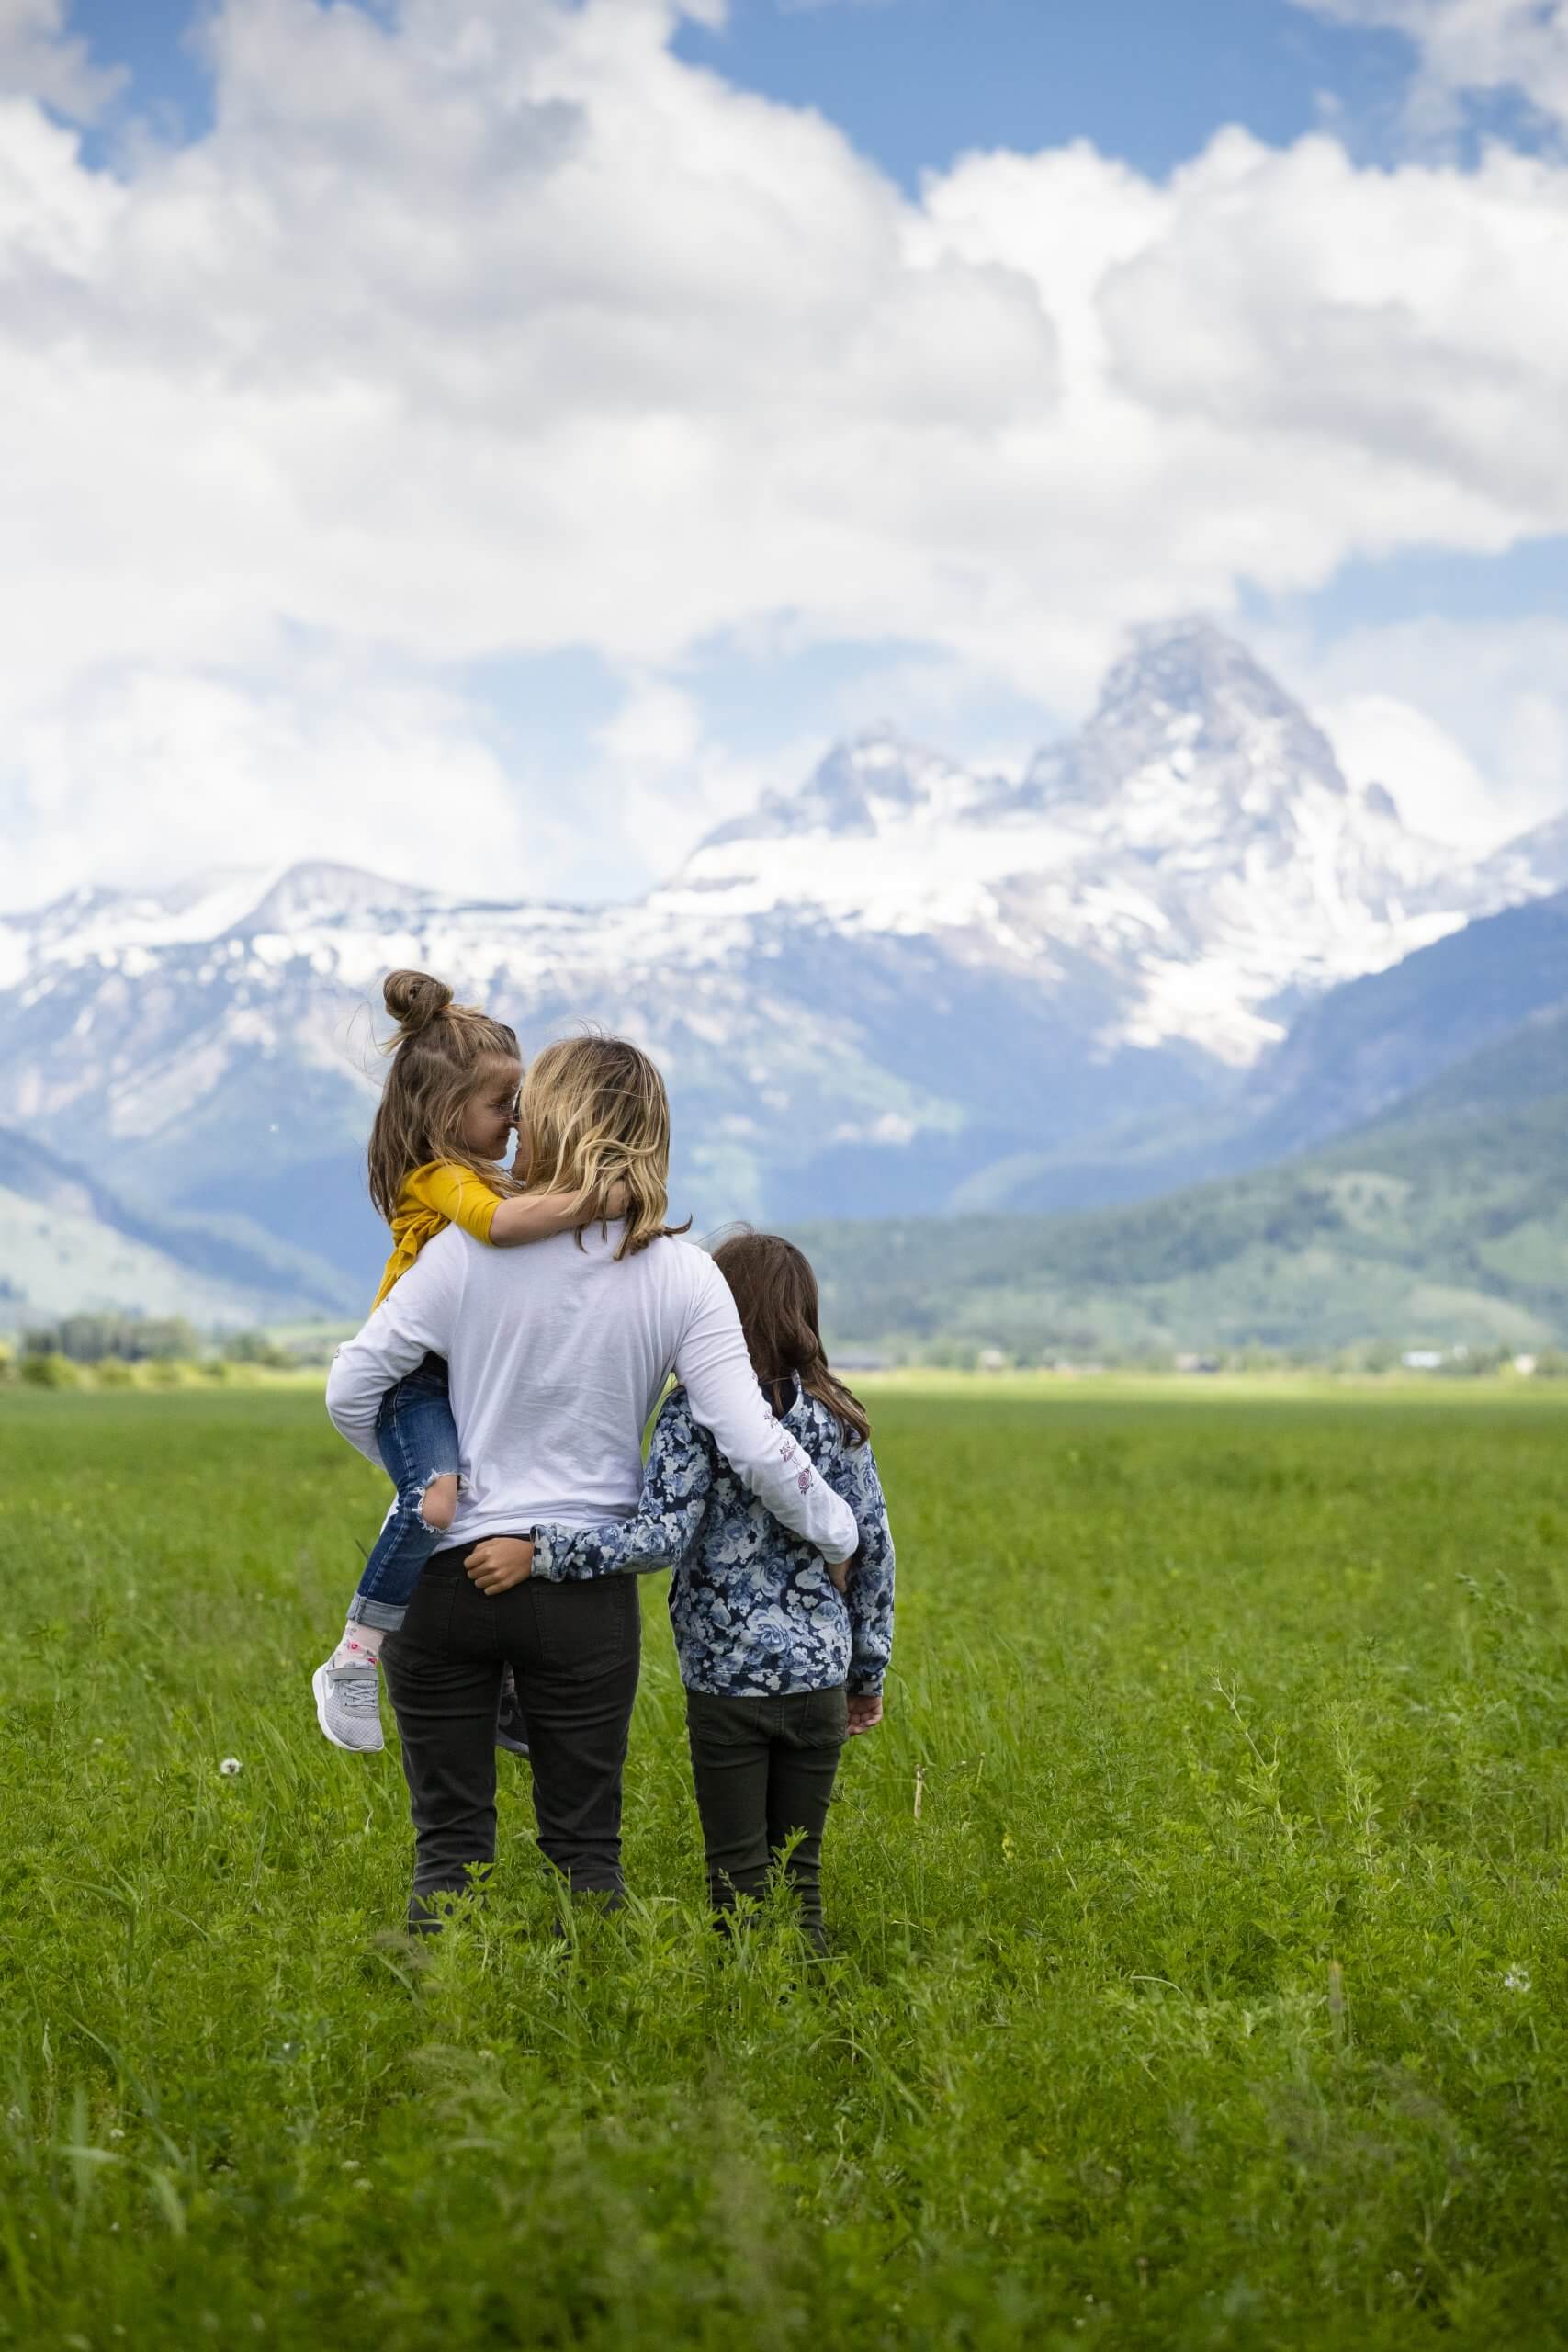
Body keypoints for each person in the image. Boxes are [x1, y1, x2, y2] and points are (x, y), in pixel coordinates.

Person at [323, 1035, 860, 1928]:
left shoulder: (463, 1250)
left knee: (448, 1852)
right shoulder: (682, 1275)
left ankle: (436, 2040)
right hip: (580, 1594)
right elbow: (752, 1442)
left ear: (551, 1121)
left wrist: (428, 1478)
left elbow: (353, 1388)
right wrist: (840, 1532)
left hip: (442, 1578)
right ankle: (596, 2039)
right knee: (586, 1857)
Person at [491, 1230, 894, 1955]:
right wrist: (867, 1673)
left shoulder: (692, 1415)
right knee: (799, 1880)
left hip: (725, 1684)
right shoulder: (839, 1417)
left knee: (736, 1881)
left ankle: (742, 2017)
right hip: (819, 1680)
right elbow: (873, 1555)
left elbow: (658, 1538)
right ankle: (812, 2014)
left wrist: (541, 1550)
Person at [312, 969, 603, 1756]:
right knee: (436, 1502)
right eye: (501, 1106)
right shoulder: (440, 1178)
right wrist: (601, 1196)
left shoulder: (479, 1171)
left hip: (456, 1371)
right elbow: (503, 1227)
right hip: (413, 1381)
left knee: (489, 1510)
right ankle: (353, 1656)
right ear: (446, 1113)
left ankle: (502, 1687)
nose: (514, 1121)